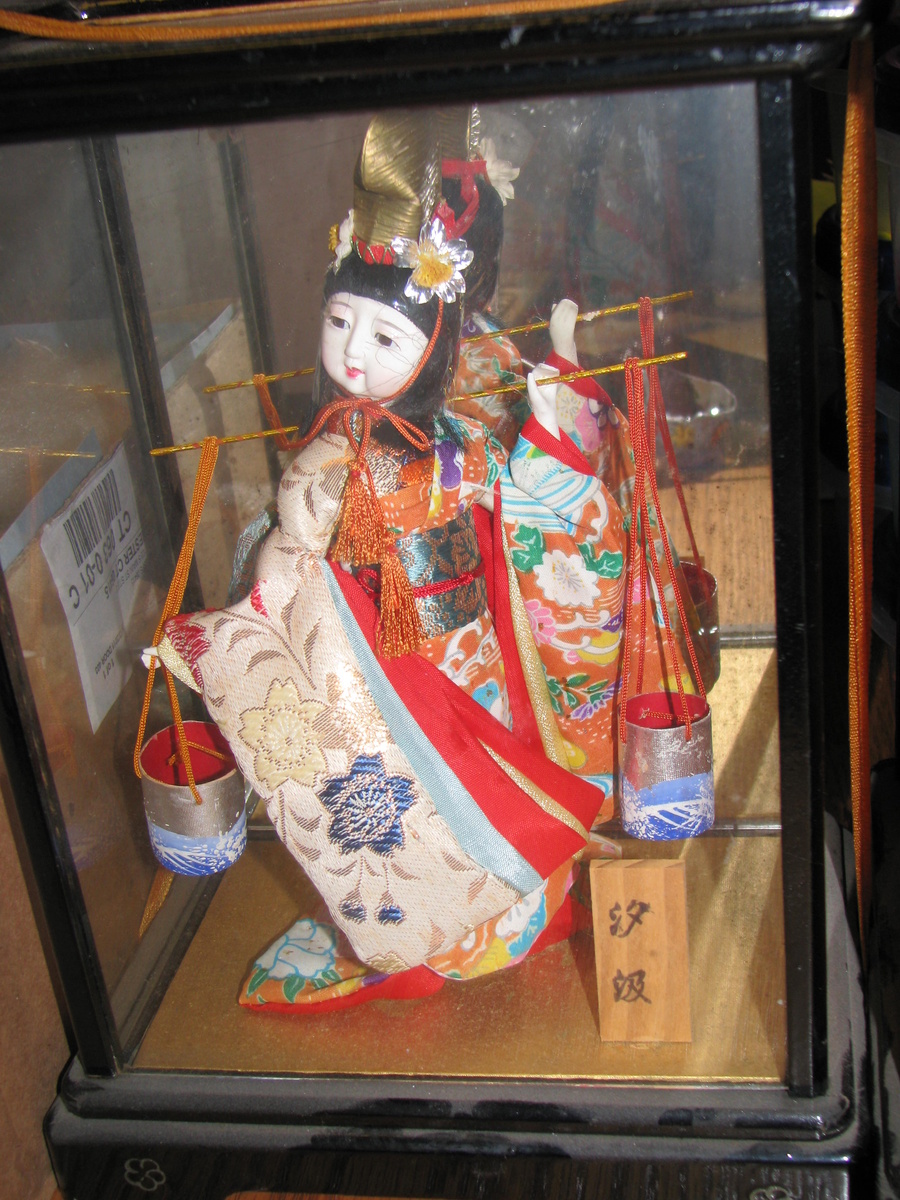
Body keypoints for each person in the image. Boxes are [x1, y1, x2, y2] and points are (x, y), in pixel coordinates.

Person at [153, 113, 671, 1012]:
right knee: (429, 802)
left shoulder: (455, 432)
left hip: (470, 645)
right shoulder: (325, 461)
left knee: (495, 769)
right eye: (340, 322)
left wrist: (554, 414)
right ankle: (441, 938)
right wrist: (221, 641)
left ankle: (516, 912)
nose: (353, 353)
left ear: (435, 342)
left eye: (385, 338)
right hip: (389, 669)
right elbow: (281, 569)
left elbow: (519, 502)